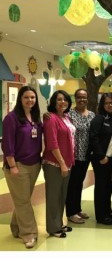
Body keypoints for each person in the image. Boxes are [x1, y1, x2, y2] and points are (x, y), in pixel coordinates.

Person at [2, 86, 43, 248]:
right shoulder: (11, 118)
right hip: (17, 165)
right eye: (26, 97)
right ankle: (29, 234)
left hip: (34, 164)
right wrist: (12, 166)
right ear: (20, 99)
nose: (30, 100)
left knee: (22, 200)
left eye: (32, 97)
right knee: (23, 201)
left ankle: (16, 227)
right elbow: (7, 144)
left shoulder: (35, 117)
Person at [43, 90, 76, 239]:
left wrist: (67, 163)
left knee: (62, 196)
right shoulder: (51, 119)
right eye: (59, 100)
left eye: (65, 100)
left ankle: (59, 223)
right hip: (54, 163)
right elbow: (52, 143)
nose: (63, 102)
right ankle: (52, 227)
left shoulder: (66, 117)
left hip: (67, 162)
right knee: (53, 196)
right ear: (53, 102)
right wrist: (62, 163)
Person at [65, 88, 94, 224]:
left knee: (79, 183)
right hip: (73, 155)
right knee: (72, 184)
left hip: (86, 155)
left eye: (84, 97)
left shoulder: (92, 115)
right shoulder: (68, 114)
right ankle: (71, 212)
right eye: (79, 97)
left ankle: (77, 209)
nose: (82, 99)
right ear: (75, 99)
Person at [89, 93, 112, 225]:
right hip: (101, 159)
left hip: (111, 158)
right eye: (107, 103)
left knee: (109, 185)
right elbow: (93, 138)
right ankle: (100, 215)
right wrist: (101, 156)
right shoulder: (99, 119)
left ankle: (107, 210)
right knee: (101, 186)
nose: (110, 105)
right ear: (102, 105)